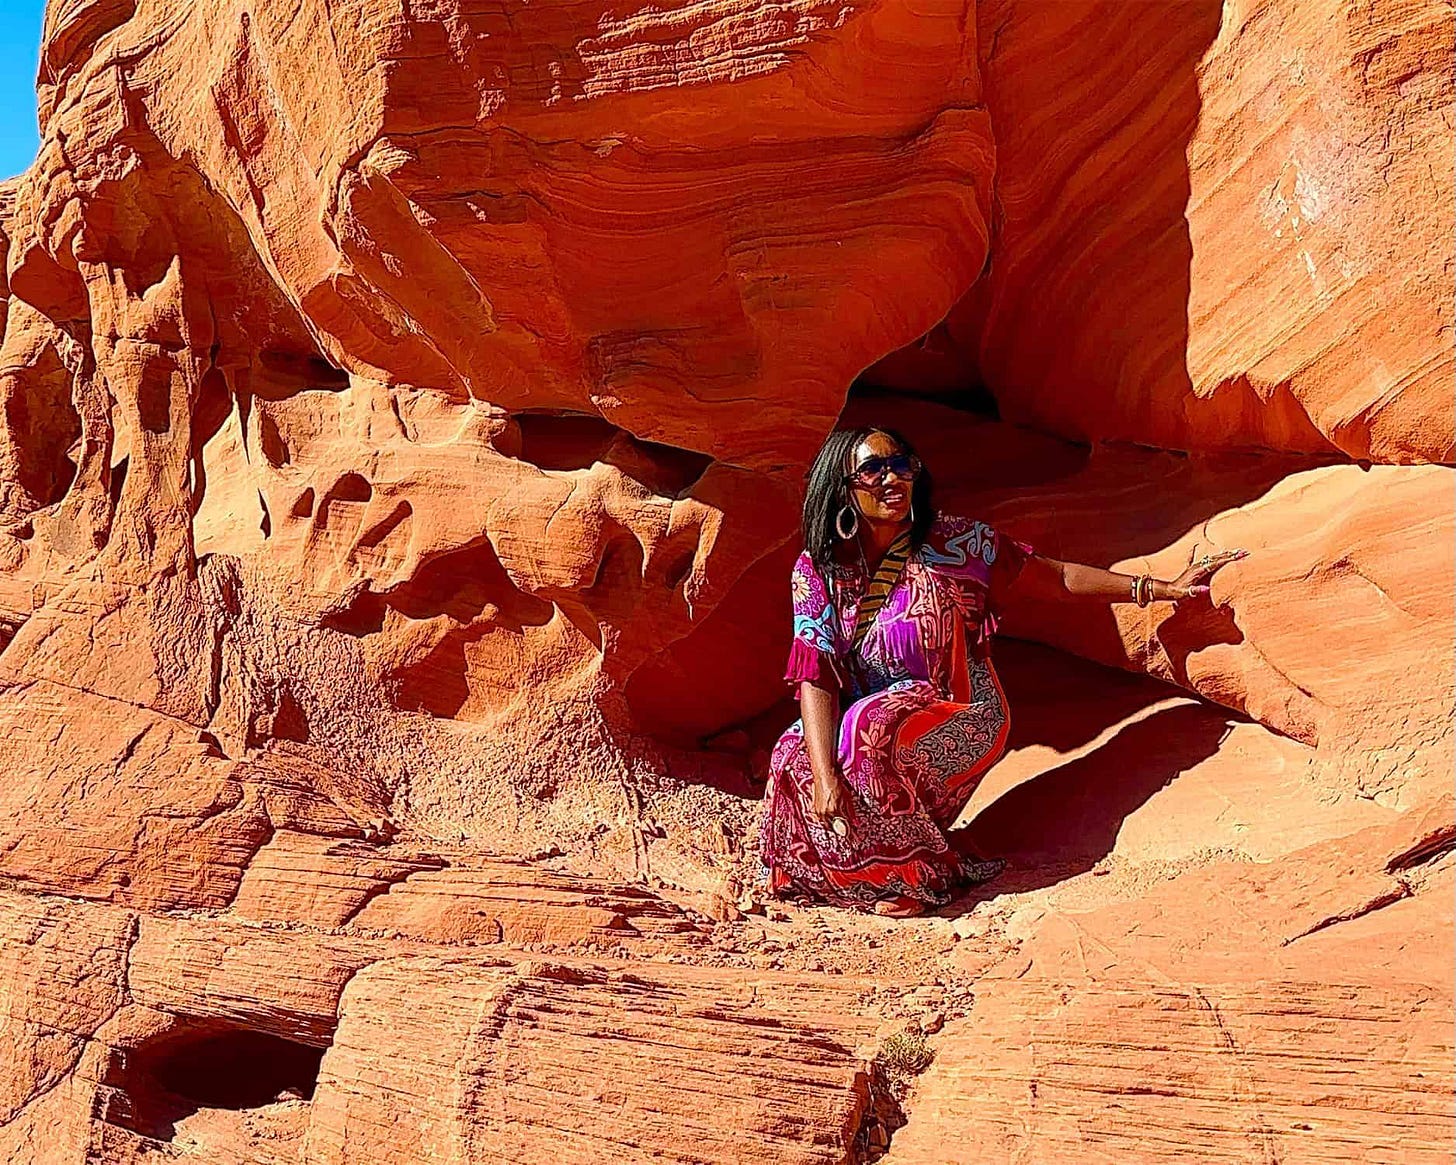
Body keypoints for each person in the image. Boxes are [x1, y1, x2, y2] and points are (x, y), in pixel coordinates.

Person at [758, 426, 1244, 917]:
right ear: (841, 485)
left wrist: (1158, 588)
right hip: (877, 715)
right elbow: (815, 671)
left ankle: (921, 875)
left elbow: (1057, 578)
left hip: (962, 711)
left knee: (867, 728)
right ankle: (855, 878)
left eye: (901, 465)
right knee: (795, 751)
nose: (892, 479)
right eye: (873, 469)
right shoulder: (817, 569)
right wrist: (824, 776)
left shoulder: (960, 542)